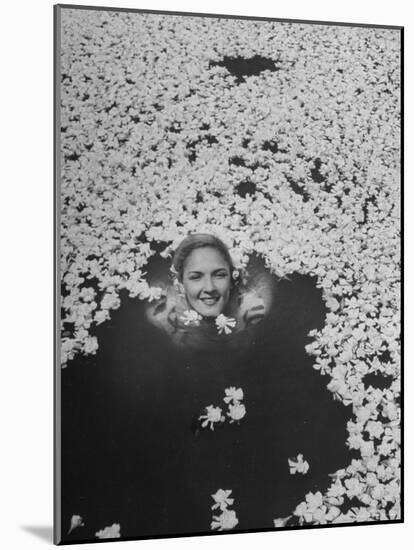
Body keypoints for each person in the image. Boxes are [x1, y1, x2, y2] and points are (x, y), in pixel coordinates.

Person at [146, 234, 273, 349]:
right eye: (196, 277)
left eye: (219, 275)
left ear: (232, 279)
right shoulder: (162, 315)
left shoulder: (253, 310)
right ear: (180, 285)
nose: (210, 288)